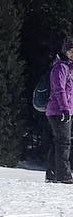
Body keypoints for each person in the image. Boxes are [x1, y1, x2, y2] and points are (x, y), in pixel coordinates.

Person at [45, 35, 73, 184]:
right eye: (71, 51)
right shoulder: (61, 67)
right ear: (65, 51)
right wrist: (65, 109)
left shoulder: (68, 67)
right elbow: (59, 89)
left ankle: (52, 173)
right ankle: (64, 175)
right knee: (64, 142)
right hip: (58, 111)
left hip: (62, 110)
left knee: (58, 141)